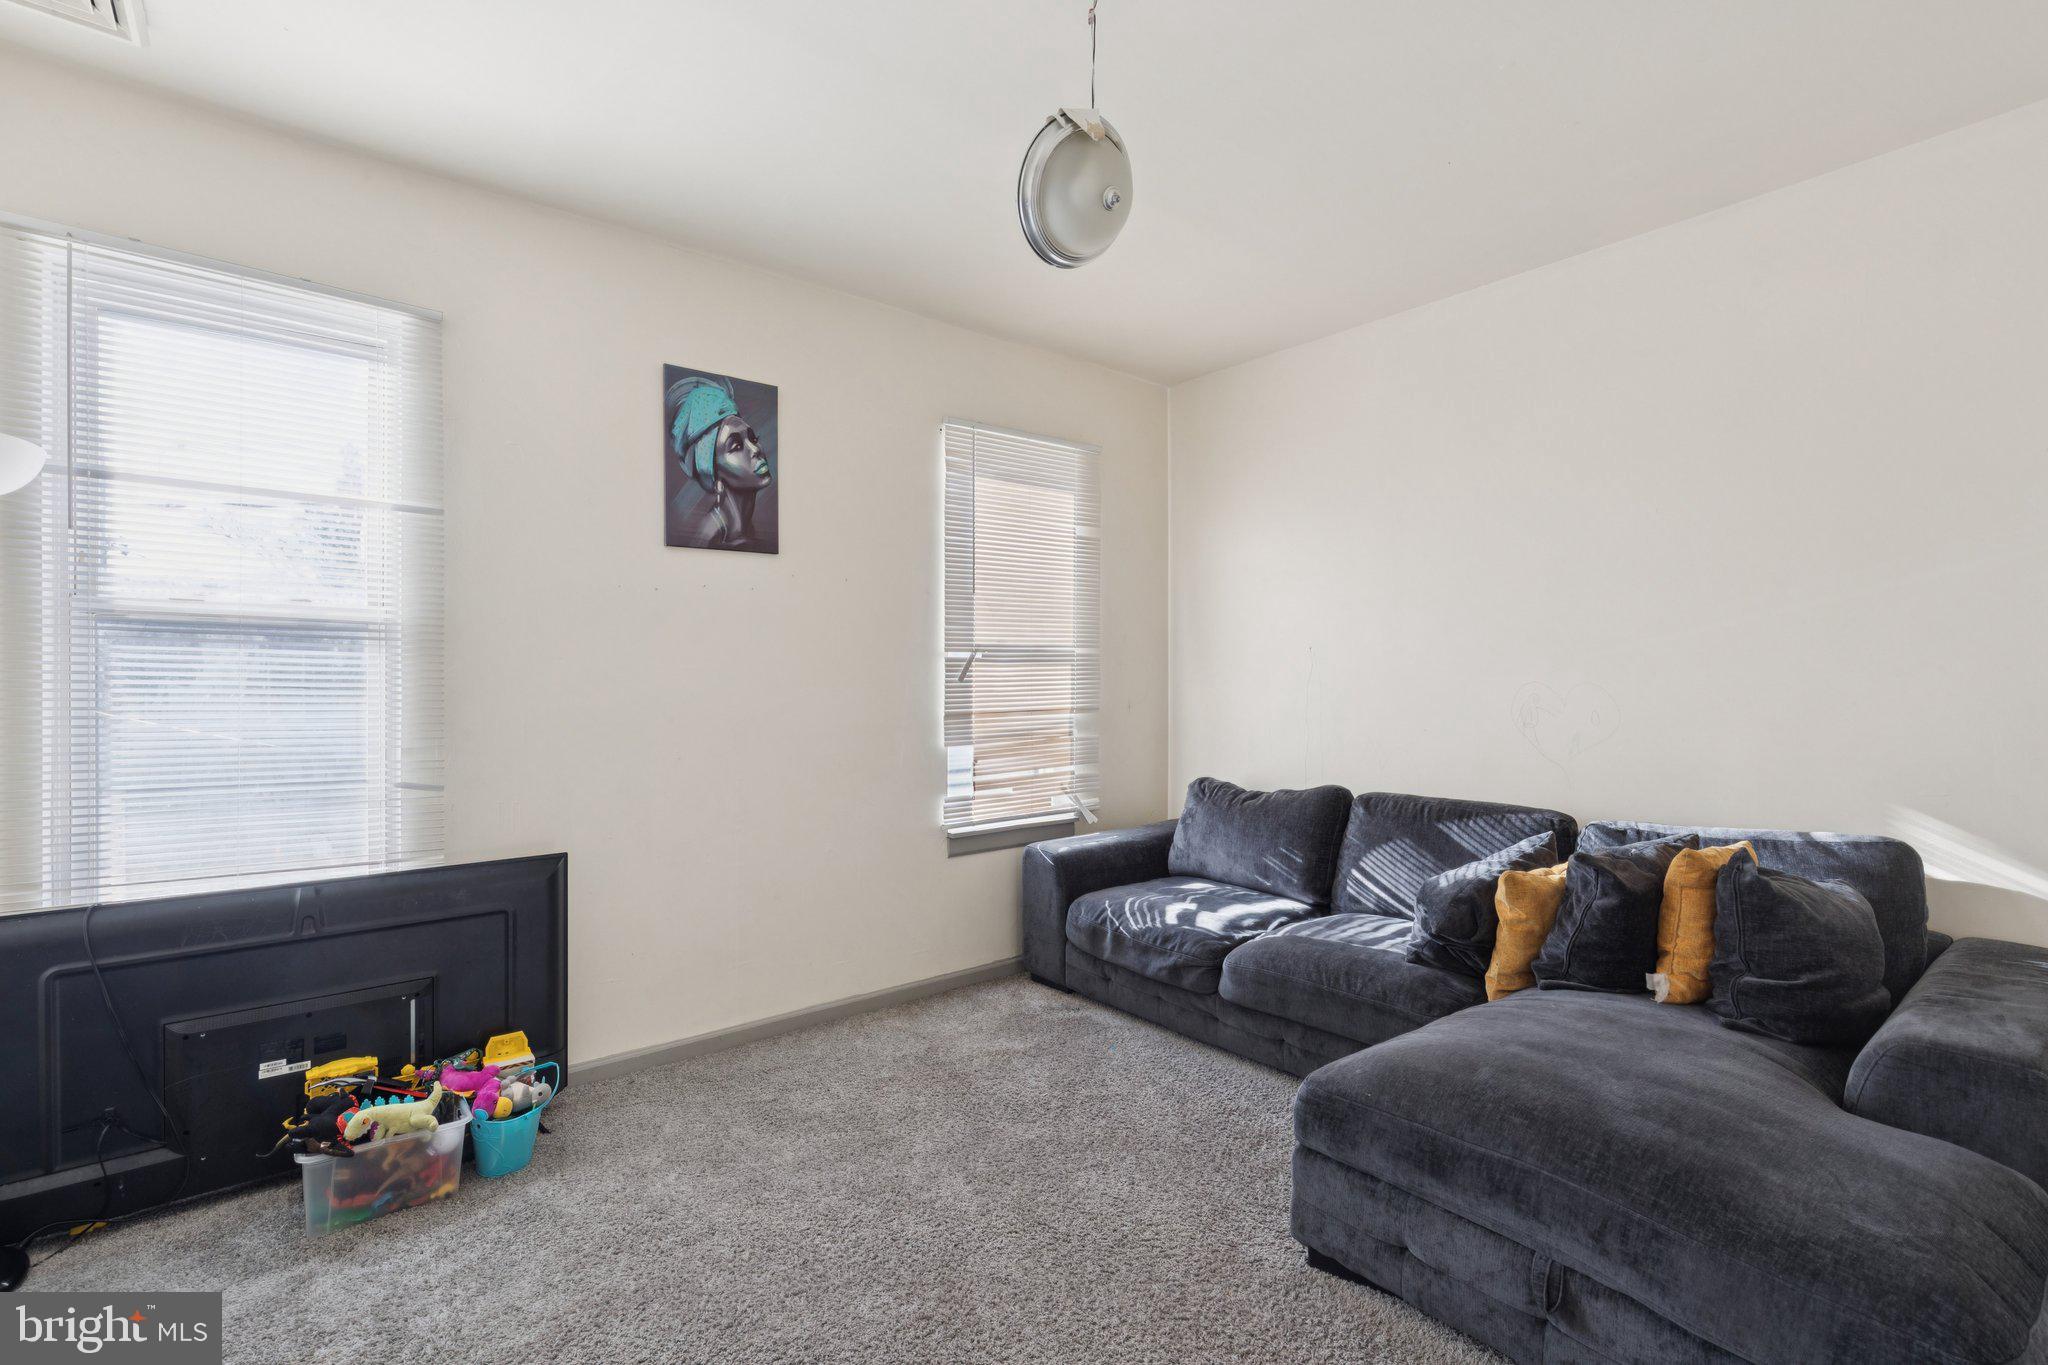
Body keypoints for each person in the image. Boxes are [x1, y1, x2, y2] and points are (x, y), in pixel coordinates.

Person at [667, 374, 772, 550]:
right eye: (736, 446)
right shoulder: (710, 541)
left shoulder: (742, 531)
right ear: (716, 479)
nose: (755, 450)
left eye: (753, 439)